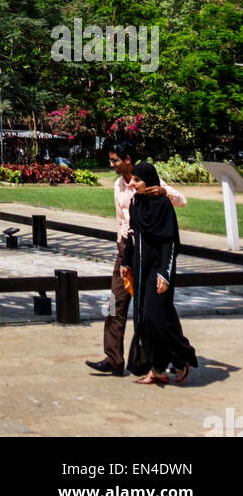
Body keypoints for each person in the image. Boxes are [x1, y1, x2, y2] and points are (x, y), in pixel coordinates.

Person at [85, 140, 186, 376]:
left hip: (150, 253)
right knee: (114, 301)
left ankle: (177, 355)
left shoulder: (149, 180)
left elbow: (182, 201)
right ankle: (113, 359)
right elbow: (122, 219)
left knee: (160, 308)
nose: (111, 164)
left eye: (115, 160)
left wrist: (164, 191)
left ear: (127, 159)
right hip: (126, 250)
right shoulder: (118, 186)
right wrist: (122, 248)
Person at [121, 162, 198, 385]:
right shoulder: (136, 203)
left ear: (150, 181)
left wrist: (164, 273)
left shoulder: (163, 205)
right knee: (143, 319)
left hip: (159, 270)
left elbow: (170, 243)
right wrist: (126, 261)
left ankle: (183, 356)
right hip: (141, 268)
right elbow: (132, 234)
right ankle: (157, 369)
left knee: (157, 318)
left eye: (137, 180)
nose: (133, 184)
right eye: (132, 179)